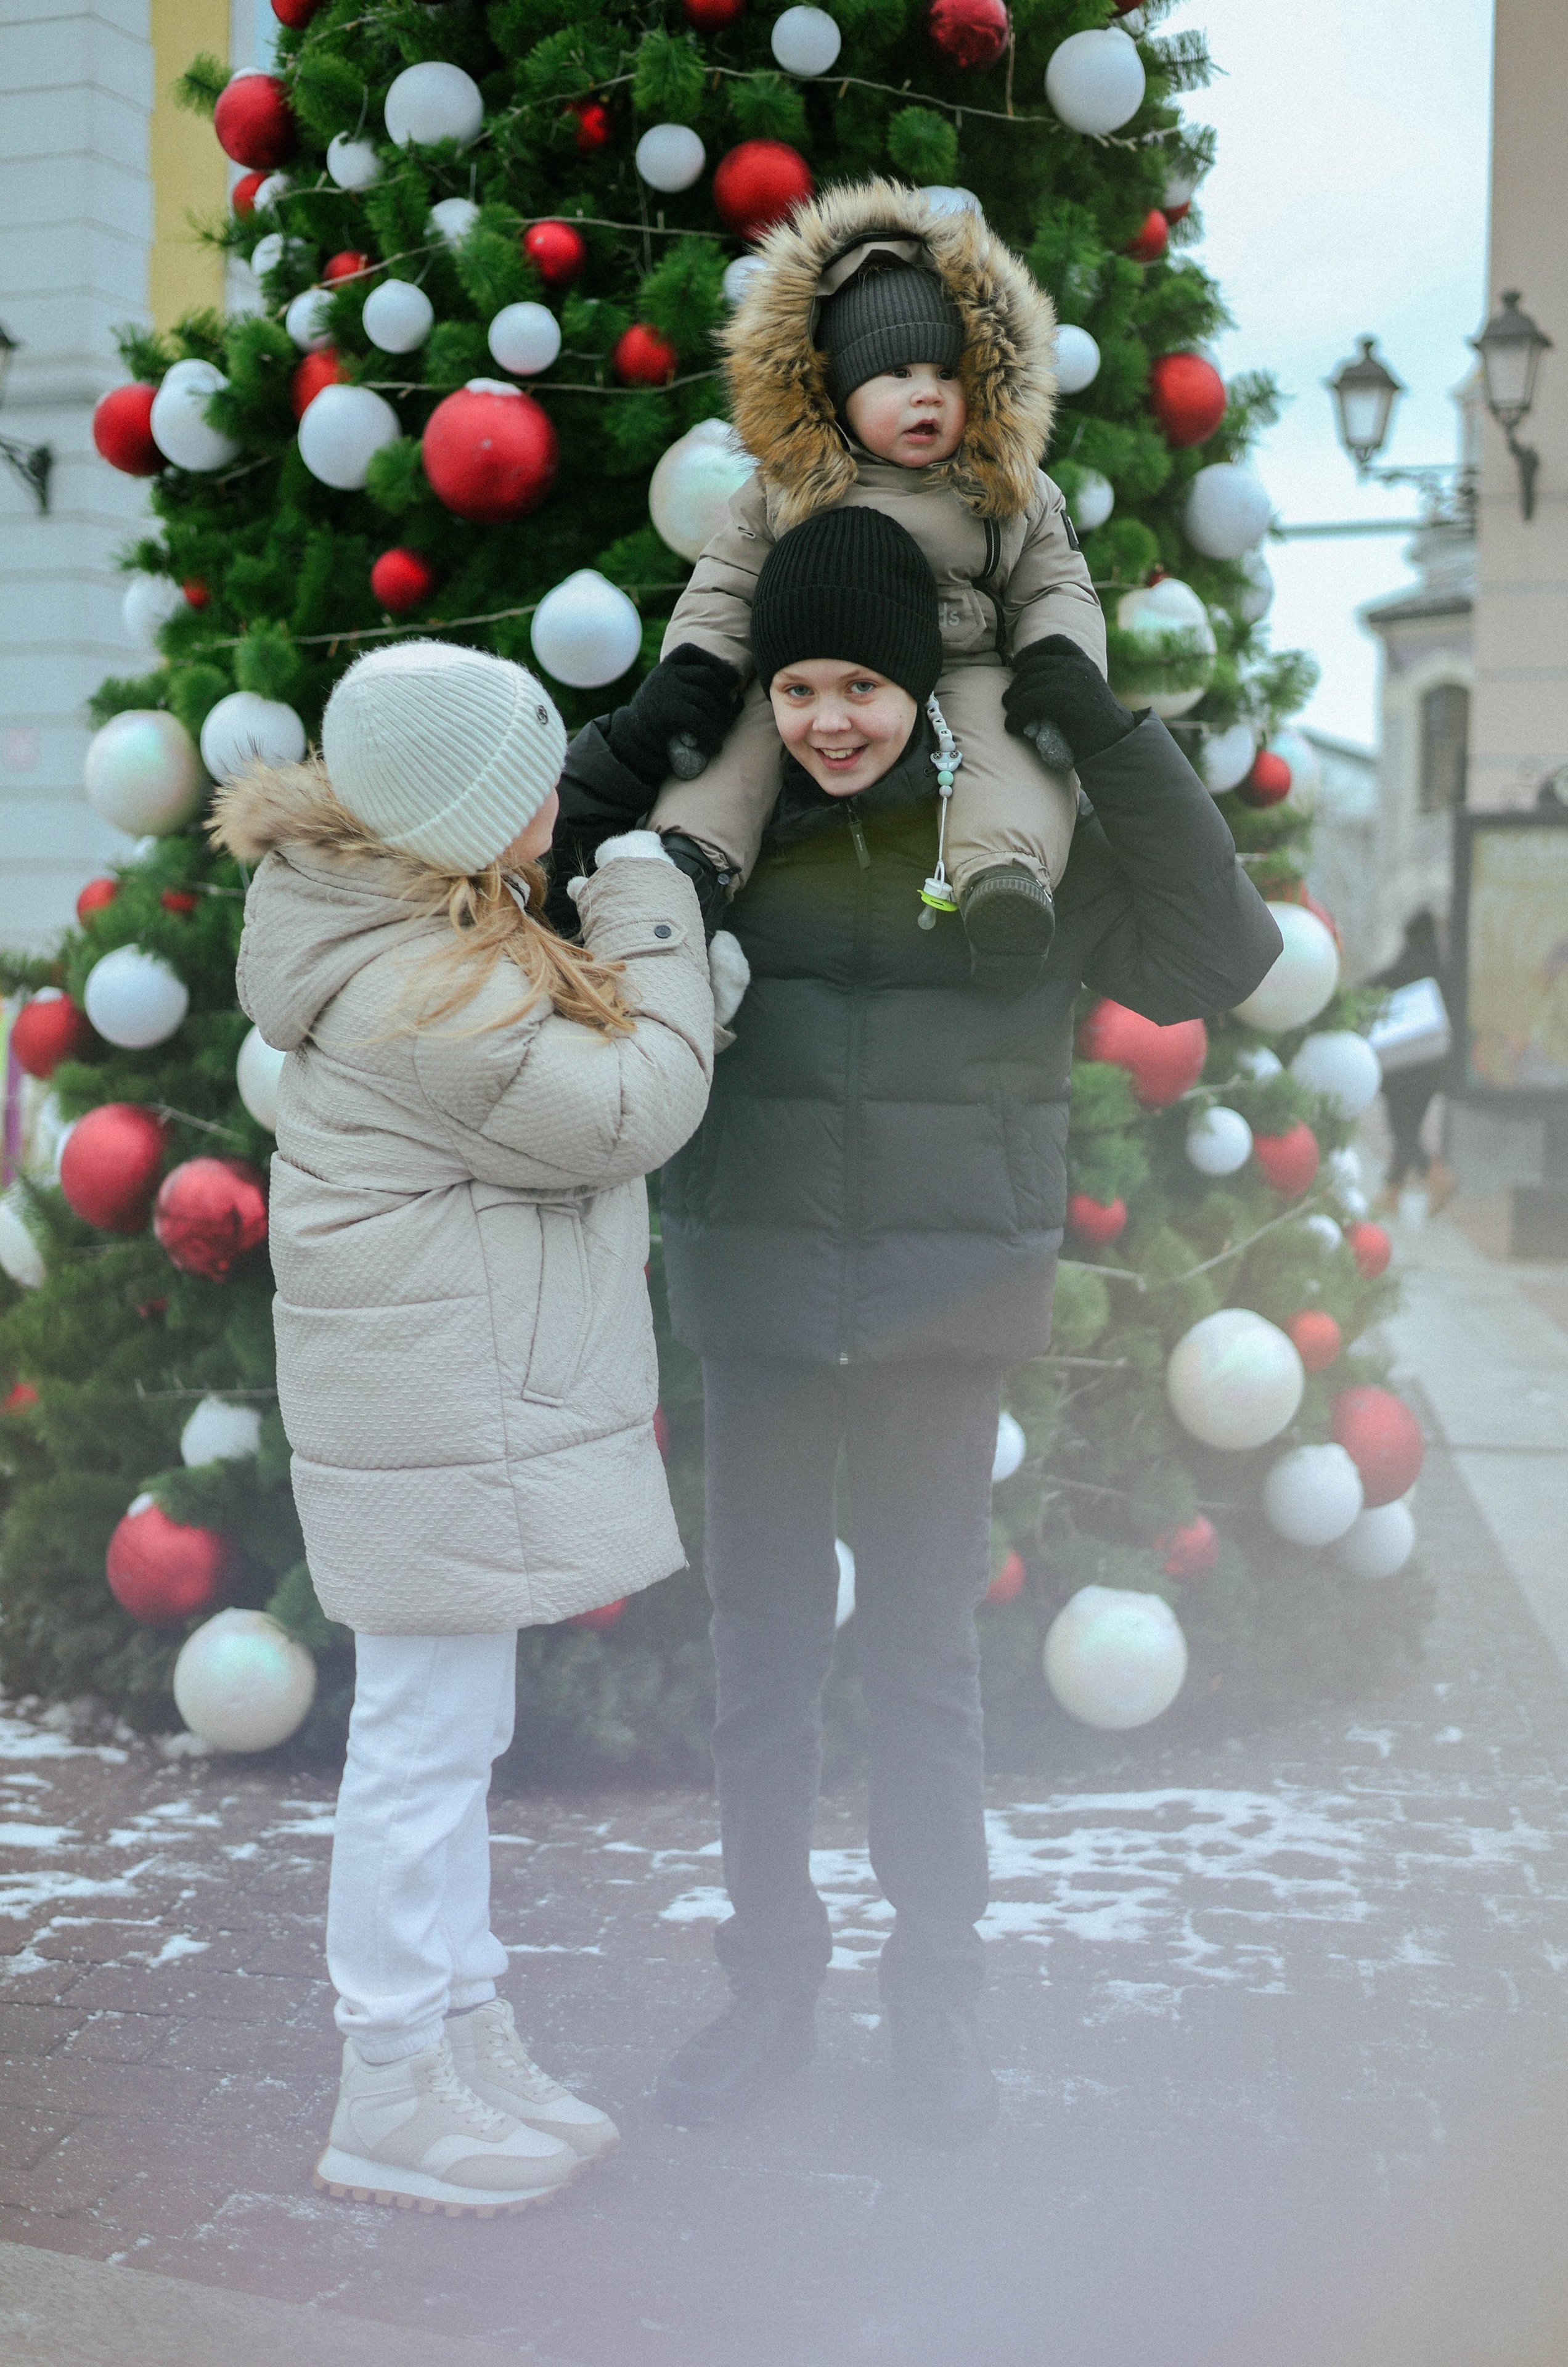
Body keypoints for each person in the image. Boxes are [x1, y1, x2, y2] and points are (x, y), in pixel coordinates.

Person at [552, 513, 1283, 2144]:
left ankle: (938, 2003)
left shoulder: (1014, 850)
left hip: (946, 1320)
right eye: (798, 685)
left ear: (912, 687)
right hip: (759, 1306)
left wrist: (1096, 727)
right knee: (761, 1666)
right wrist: (652, 720)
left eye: (863, 686)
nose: (829, 718)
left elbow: (1219, 954)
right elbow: (552, 880)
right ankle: (770, 1994)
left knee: (924, 1665)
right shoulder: (713, 850)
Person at [214, 640, 717, 2217]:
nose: (557, 804)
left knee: (454, 1732)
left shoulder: (422, 925)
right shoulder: (418, 981)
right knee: (423, 1742)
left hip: (444, 1398)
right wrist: (650, 909)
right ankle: (387, 2082)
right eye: (528, 786)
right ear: (455, 816)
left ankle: (459, 2030)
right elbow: (634, 1105)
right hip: (433, 1406)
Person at [625, 177, 1108, 988]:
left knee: (1006, 742)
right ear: (839, 394)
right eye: (895, 376)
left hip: (963, 662)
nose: (928, 394)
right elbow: (726, 582)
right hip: (819, 669)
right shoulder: (793, 483)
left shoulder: (1003, 485)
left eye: (946, 375)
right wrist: (699, 668)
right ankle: (692, 864)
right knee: (745, 732)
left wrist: (1060, 664)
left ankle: (1002, 883)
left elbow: (1056, 583)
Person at [1371, 906, 1455, 1214]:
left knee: (1402, 1131)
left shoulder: (1405, 967)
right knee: (1409, 1130)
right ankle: (1392, 1194)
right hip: (1432, 1067)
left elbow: (1371, 986)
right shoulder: (1442, 971)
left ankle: (1436, 1175)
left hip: (1402, 1067)